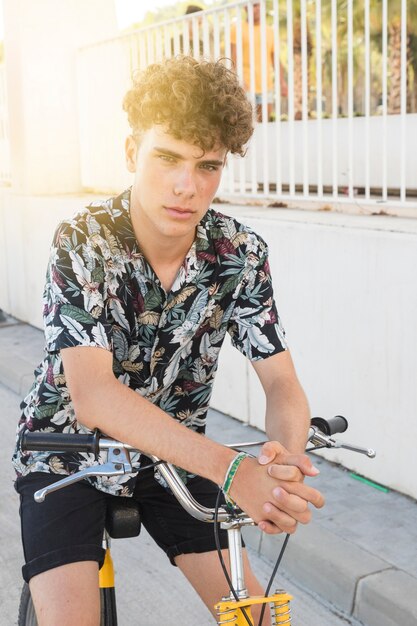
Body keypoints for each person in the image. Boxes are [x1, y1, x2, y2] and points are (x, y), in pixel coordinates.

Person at [13, 56, 323, 625]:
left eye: (208, 166)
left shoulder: (239, 253)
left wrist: (283, 464)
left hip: (173, 460)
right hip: (66, 454)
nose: (187, 186)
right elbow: (95, 396)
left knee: (263, 619)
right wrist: (235, 471)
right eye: (167, 158)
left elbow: (280, 380)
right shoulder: (83, 241)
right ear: (132, 153)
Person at [230, 2, 288, 122]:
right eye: (253, 5)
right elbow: (233, 58)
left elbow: (275, 59)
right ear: (246, 8)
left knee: (265, 123)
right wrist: (236, 81)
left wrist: (282, 82)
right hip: (245, 85)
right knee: (246, 123)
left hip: (266, 85)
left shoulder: (269, 31)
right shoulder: (237, 29)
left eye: (258, 5)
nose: (256, 9)